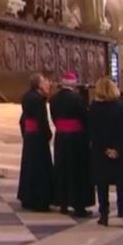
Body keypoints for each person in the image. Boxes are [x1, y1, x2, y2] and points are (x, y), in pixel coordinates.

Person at [88, 77, 123, 228]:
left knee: (102, 185)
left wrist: (106, 149)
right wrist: (118, 149)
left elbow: (93, 131)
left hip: (101, 151)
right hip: (121, 151)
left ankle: (104, 215)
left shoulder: (94, 108)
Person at [49, 71, 93, 217]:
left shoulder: (54, 99)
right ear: (74, 84)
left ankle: (63, 203)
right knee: (77, 170)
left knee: (62, 169)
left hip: (61, 138)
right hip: (76, 139)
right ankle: (78, 205)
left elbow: (55, 119)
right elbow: (85, 118)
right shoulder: (78, 99)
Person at [17, 73, 54, 211]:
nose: (47, 83)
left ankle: (27, 197)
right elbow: (42, 120)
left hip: (30, 136)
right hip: (38, 137)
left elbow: (23, 119)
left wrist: (25, 133)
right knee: (40, 168)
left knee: (29, 167)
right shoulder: (39, 99)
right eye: (45, 81)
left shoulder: (27, 96)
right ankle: (39, 200)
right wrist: (48, 135)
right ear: (38, 84)